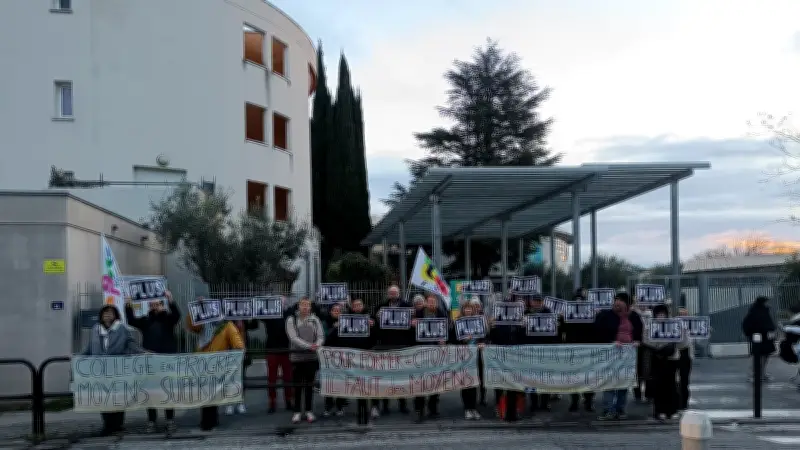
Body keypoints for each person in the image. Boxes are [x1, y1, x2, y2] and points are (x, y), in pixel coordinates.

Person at [82, 304, 145, 436]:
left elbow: (131, 344)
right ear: (101, 316)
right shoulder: (95, 329)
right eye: (105, 313)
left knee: (118, 397)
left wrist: (143, 352)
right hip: (100, 370)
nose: (107, 315)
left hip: (117, 369)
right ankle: (107, 425)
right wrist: (79, 357)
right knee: (103, 398)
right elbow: (89, 347)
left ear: (116, 315)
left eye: (110, 313)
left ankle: (118, 425)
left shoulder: (121, 329)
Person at [124, 292, 180, 433]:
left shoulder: (168, 319)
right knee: (150, 391)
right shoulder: (146, 320)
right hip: (150, 361)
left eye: (157, 304)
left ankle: (170, 420)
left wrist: (171, 300)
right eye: (152, 305)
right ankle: (151, 421)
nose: (154, 307)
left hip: (166, 360)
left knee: (168, 391)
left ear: (162, 305)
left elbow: (177, 316)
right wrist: (128, 305)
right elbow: (131, 321)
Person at [185, 302, 245, 431]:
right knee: (204, 394)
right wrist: (194, 311)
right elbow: (191, 326)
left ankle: (209, 422)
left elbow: (238, 344)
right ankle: (208, 421)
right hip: (201, 363)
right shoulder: (203, 325)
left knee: (212, 394)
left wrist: (233, 355)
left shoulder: (227, 326)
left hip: (217, 364)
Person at [593, 292, 643, 421]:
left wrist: (637, 341)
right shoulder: (606, 315)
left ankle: (620, 409)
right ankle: (608, 409)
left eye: (620, 301)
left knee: (623, 382)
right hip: (610, 354)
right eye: (616, 300)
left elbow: (639, 331)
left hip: (627, 356)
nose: (617, 303)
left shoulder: (634, 316)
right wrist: (611, 342)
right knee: (609, 382)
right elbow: (598, 331)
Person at [372, 285, 413, 418]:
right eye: (391, 293)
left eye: (395, 293)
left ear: (399, 294)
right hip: (386, 344)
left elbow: (413, 325)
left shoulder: (407, 306)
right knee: (386, 377)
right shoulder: (381, 307)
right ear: (388, 294)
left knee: (401, 376)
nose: (393, 295)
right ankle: (385, 405)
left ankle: (403, 404)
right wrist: (377, 318)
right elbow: (375, 325)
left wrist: (412, 319)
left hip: (402, 344)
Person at [285, 297, 325, 424]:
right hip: (297, 358)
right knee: (297, 386)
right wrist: (309, 346)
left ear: (310, 307)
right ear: (299, 306)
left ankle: (308, 411)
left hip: (311, 358)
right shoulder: (291, 319)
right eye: (303, 305)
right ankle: (297, 412)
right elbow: (293, 338)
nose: (305, 307)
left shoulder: (315, 319)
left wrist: (317, 345)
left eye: (308, 305)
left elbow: (321, 336)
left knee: (309, 386)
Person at [411, 294, 450, 423]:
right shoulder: (418, 313)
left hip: (435, 351)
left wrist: (444, 340)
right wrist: (413, 324)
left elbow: (446, 329)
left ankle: (433, 408)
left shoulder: (441, 313)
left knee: (435, 380)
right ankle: (419, 409)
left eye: (434, 302)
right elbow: (410, 329)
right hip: (421, 351)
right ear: (426, 303)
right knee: (420, 381)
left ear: (436, 303)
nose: (432, 304)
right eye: (430, 301)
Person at [644, 304, 682, 420]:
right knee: (658, 385)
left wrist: (671, 347)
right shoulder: (650, 326)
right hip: (657, 358)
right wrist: (659, 348)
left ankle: (671, 410)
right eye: (659, 314)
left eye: (663, 314)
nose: (661, 316)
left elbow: (681, 342)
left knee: (671, 385)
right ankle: (659, 410)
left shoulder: (674, 325)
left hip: (671, 359)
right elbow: (646, 340)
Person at [342, 298, 376, 426]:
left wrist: (373, 326)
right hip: (353, 354)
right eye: (355, 305)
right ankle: (360, 412)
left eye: (359, 305)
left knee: (369, 382)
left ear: (363, 306)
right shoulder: (346, 318)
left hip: (366, 353)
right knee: (357, 383)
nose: (357, 307)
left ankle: (371, 408)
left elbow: (377, 335)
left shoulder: (370, 317)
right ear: (352, 307)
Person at [257, 296, 294, 414]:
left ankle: (288, 400)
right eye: (278, 302)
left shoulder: (289, 313)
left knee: (288, 377)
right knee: (272, 378)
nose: (281, 304)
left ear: (286, 304)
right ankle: (272, 402)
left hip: (286, 349)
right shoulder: (269, 314)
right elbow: (258, 314)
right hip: (272, 349)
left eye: (283, 302)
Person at [489, 297, 523, 422]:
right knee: (500, 385)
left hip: (514, 356)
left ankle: (512, 413)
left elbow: (522, 338)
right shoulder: (497, 322)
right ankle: (501, 409)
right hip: (501, 357)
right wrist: (492, 327)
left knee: (513, 386)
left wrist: (523, 326)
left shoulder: (517, 322)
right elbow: (493, 339)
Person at [521, 294, 556, 414]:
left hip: (545, 349)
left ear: (542, 302)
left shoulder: (549, 313)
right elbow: (522, 332)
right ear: (531, 302)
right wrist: (523, 325)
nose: (537, 303)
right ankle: (534, 403)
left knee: (545, 378)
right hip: (531, 349)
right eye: (535, 301)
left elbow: (553, 333)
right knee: (532, 378)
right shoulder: (526, 313)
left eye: (539, 301)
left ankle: (545, 403)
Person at [562, 292, 595, 413]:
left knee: (588, 377)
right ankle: (574, 401)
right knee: (573, 377)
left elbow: (594, 329)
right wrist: (562, 318)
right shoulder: (567, 316)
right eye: (576, 301)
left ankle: (588, 401)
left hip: (586, 349)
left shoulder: (590, 315)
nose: (578, 304)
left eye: (581, 302)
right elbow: (563, 329)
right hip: (572, 348)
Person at [458, 301, 485, 420]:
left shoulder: (478, 321)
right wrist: (464, 340)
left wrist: (482, 343)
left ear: (473, 310)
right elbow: (454, 339)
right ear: (463, 310)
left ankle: (473, 408)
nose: (468, 310)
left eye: (470, 309)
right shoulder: (458, 322)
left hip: (476, 355)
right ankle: (467, 408)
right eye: (466, 308)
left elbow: (484, 337)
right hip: (463, 356)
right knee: (465, 382)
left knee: (474, 382)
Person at [742, 296, 777, 382]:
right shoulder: (754, 312)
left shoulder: (765, 311)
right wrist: (751, 333)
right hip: (758, 338)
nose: (768, 304)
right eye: (766, 302)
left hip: (766, 338)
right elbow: (747, 324)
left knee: (765, 356)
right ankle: (754, 375)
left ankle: (762, 373)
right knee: (758, 356)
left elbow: (769, 323)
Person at [322, 303, 347, 417]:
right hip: (329, 355)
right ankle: (328, 406)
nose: (337, 312)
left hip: (342, 355)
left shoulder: (346, 321)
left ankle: (340, 405)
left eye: (339, 310)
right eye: (334, 310)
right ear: (330, 312)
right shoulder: (325, 322)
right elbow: (324, 337)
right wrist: (334, 328)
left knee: (342, 381)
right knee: (329, 381)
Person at [225, 319, 251, 416]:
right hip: (229, 350)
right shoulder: (227, 320)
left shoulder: (245, 319)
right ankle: (229, 403)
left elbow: (254, 325)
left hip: (242, 350)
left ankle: (240, 402)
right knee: (229, 379)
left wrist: (252, 317)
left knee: (241, 378)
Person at [676, 307, 694, 411]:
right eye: (681, 315)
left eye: (685, 315)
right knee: (677, 380)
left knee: (684, 380)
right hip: (677, 353)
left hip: (686, 355)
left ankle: (683, 403)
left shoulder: (691, 326)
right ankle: (678, 401)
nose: (683, 317)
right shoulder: (676, 326)